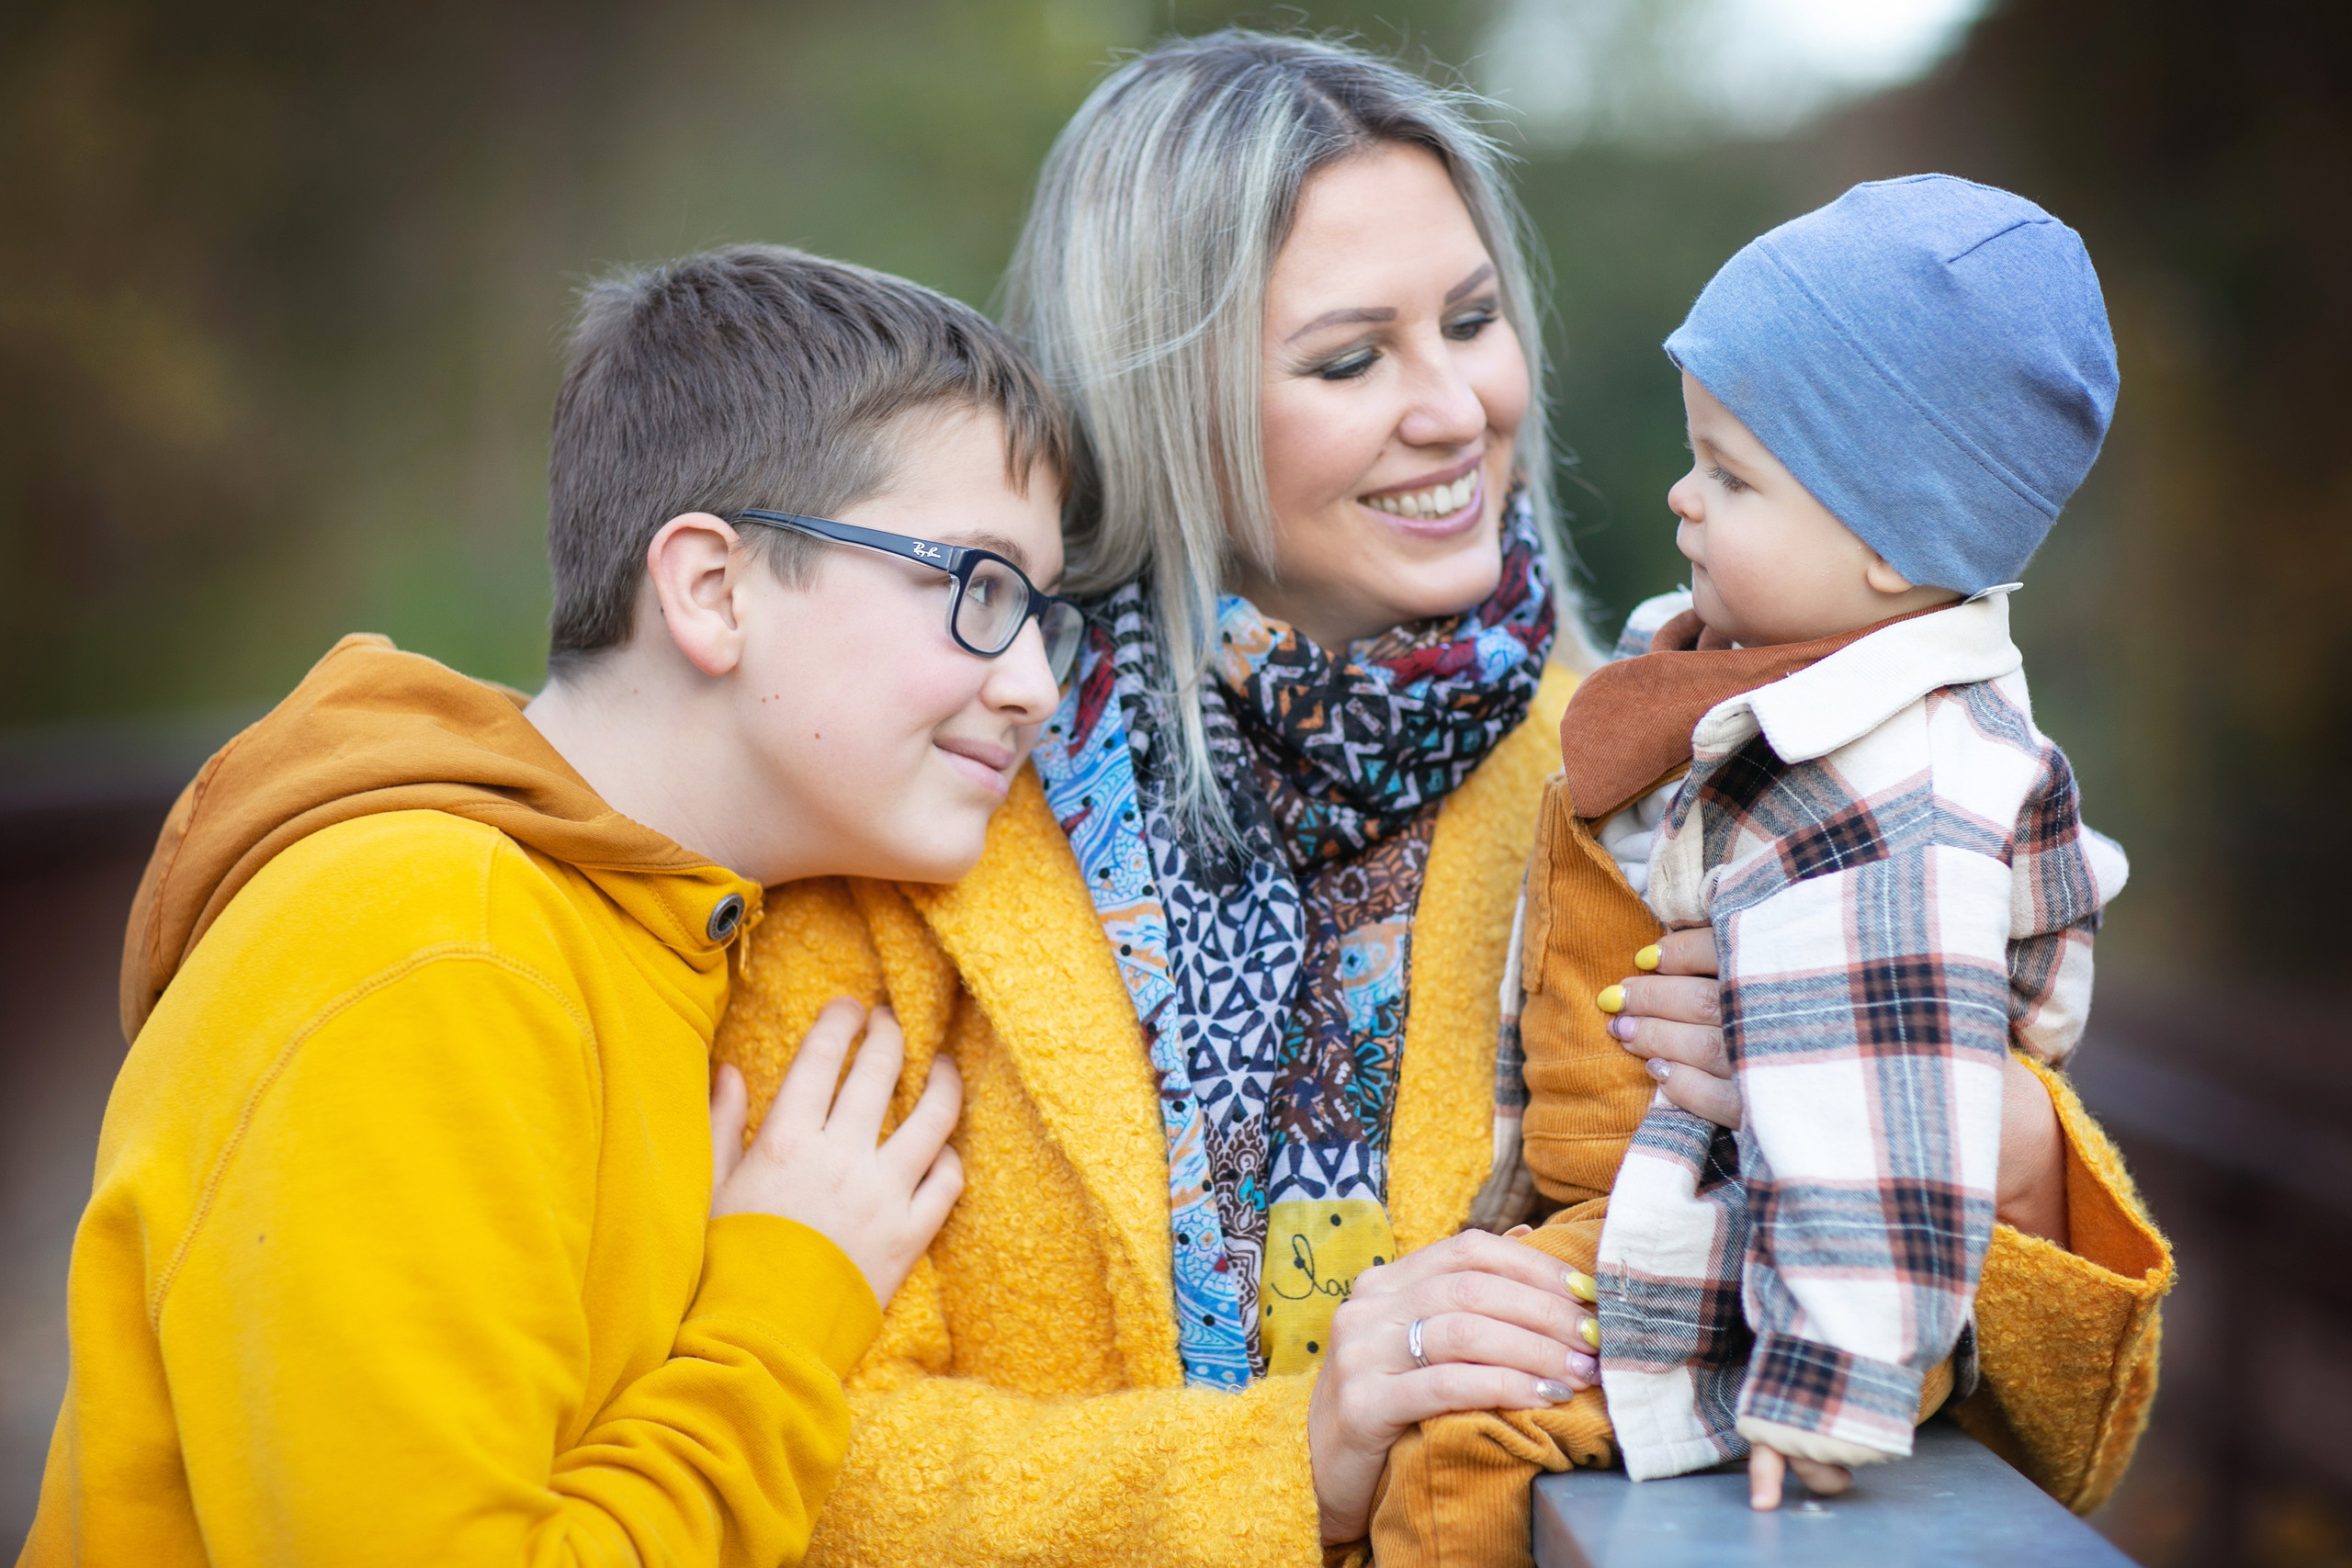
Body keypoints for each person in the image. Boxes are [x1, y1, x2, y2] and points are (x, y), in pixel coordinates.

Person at [717, 34, 2171, 1568]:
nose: (1456, 407)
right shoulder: (905, 814)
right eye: (1351, 360)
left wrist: (2005, 1158)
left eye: (1473, 322)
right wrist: (1303, 1458)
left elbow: (2039, 1457)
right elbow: (782, 1467)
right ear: (1160, 402)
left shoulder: (1684, 777)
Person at [19, 245, 1077, 1565]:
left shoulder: (639, 940)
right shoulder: (429, 941)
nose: (1034, 678)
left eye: (1046, 612)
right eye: (977, 588)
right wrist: (784, 1301)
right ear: (712, 588)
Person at [1367, 175, 2163, 1564]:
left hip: (1761, 1272)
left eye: (1730, 475)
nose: (1681, 495)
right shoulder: (1780, 686)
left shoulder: (1888, 790)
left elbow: (1883, 1115)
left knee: (1459, 1455)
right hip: (1709, 1216)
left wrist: (1830, 1389)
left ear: (1888, 543)